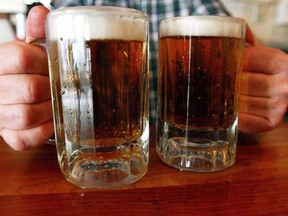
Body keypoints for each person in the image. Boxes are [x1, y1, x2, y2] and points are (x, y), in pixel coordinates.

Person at [0, 0, 287, 151]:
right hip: (83, 156)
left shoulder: (198, 5)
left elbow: (248, 63)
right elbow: (33, 75)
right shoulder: (69, 10)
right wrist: (19, 92)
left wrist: (264, 85)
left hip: (161, 160)